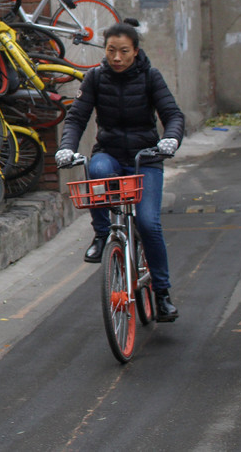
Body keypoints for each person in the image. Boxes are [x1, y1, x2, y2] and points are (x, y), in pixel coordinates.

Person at [54, 18, 184, 322]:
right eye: (111, 50)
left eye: (123, 51)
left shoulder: (151, 77)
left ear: (135, 52)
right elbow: (76, 119)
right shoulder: (96, 79)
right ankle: (102, 235)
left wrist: (170, 140)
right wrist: (66, 147)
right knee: (96, 168)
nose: (116, 57)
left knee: (150, 225)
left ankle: (162, 294)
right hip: (110, 154)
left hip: (145, 159)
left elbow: (173, 115)